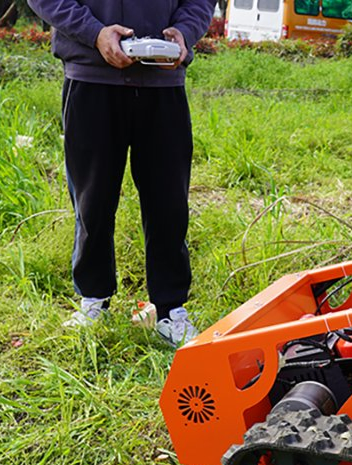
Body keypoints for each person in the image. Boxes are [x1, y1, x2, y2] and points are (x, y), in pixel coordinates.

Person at [26, 0, 216, 347]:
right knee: (92, 199)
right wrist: (94, 33)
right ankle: (93, 300)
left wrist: (184, 31)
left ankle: (170, 310)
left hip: (163, 82)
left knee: (169, 203)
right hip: (91, 79)